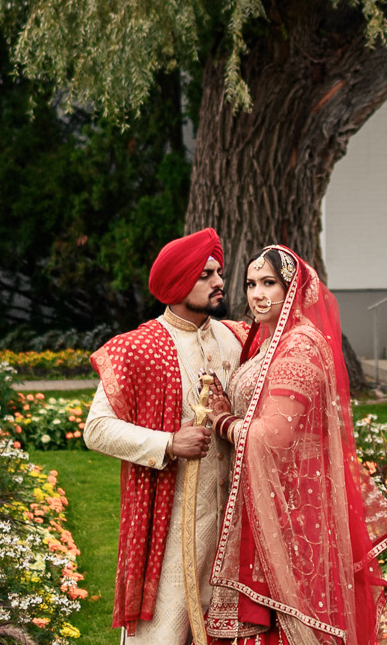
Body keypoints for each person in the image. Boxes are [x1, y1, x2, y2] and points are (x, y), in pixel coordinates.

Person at [205, 246, 387, 645]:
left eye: (269, 283)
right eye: (250, 284)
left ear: (293, 288)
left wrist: (222, 422)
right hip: (270, 494)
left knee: (294, 611)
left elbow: (274, 436)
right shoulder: (267, 342)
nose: (257, 294)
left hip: (296, 503)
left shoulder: (300, 345)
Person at [86, 228, 250, 645]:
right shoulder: (139, 348)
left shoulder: (237, 340)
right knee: (164, 629)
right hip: (173, 517)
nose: (218, 283)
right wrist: (168, 443)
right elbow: (97, 429)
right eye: (205, 275)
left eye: (218, 272)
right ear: (178, 285)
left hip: (235, 519)